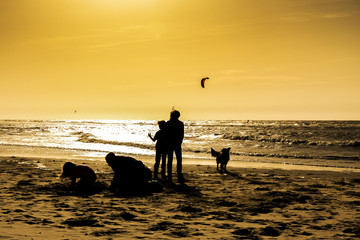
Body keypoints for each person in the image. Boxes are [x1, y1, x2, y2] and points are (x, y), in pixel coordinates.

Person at [166, 110, 185, 184]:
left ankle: (170, 175)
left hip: (171, 143)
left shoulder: (169, 123)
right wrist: (179, 142)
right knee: (178, 160)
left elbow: (166, 134)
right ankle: (178, 175)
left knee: (170, 160)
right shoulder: (180, 124)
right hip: (176, 143)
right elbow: (181, 135)